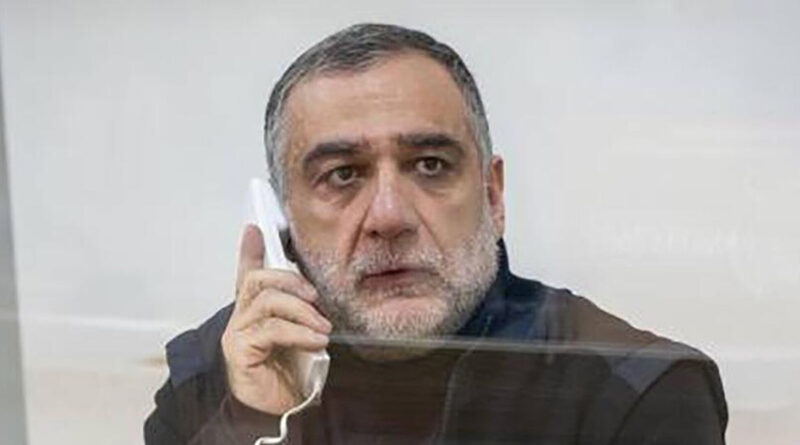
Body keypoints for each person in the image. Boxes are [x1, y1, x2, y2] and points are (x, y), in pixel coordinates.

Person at [144, 23, 727, 444]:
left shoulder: (631, 392)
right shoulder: (217, 374)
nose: (389, 216)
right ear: (283, 221)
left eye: (430, 165)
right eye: (342, 175)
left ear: (493, 196)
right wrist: (248, 423)